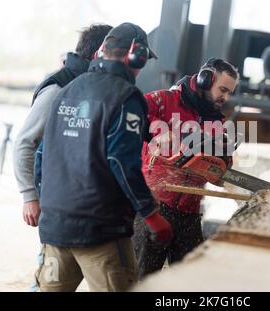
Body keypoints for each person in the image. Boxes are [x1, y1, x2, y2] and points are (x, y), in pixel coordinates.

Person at [34, 22, 173, 292]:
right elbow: (122, 162)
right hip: (101, 233)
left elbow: (42, 156)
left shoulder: (67, 91)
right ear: (137, 55)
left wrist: (47, 206)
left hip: (55, 229)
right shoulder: (126, 97)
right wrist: (151, 213)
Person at [133, 58, 239, 278]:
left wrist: (220, 159)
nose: (225, 97)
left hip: (189, 212)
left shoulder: (217, 123)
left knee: (191, 279)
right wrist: (155, 133)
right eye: (222, 90)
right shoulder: (164, 100)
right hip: (153, 207)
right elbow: (130, 113)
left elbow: (222, 171)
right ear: (205, 79)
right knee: (142, 279)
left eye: (230, 92)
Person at [13, 24, 113, 228]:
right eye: (117, 54)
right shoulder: (59, 88)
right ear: (99, 54)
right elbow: (25, 142)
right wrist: (29, 196)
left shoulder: (94, 88)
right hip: (55, 205)